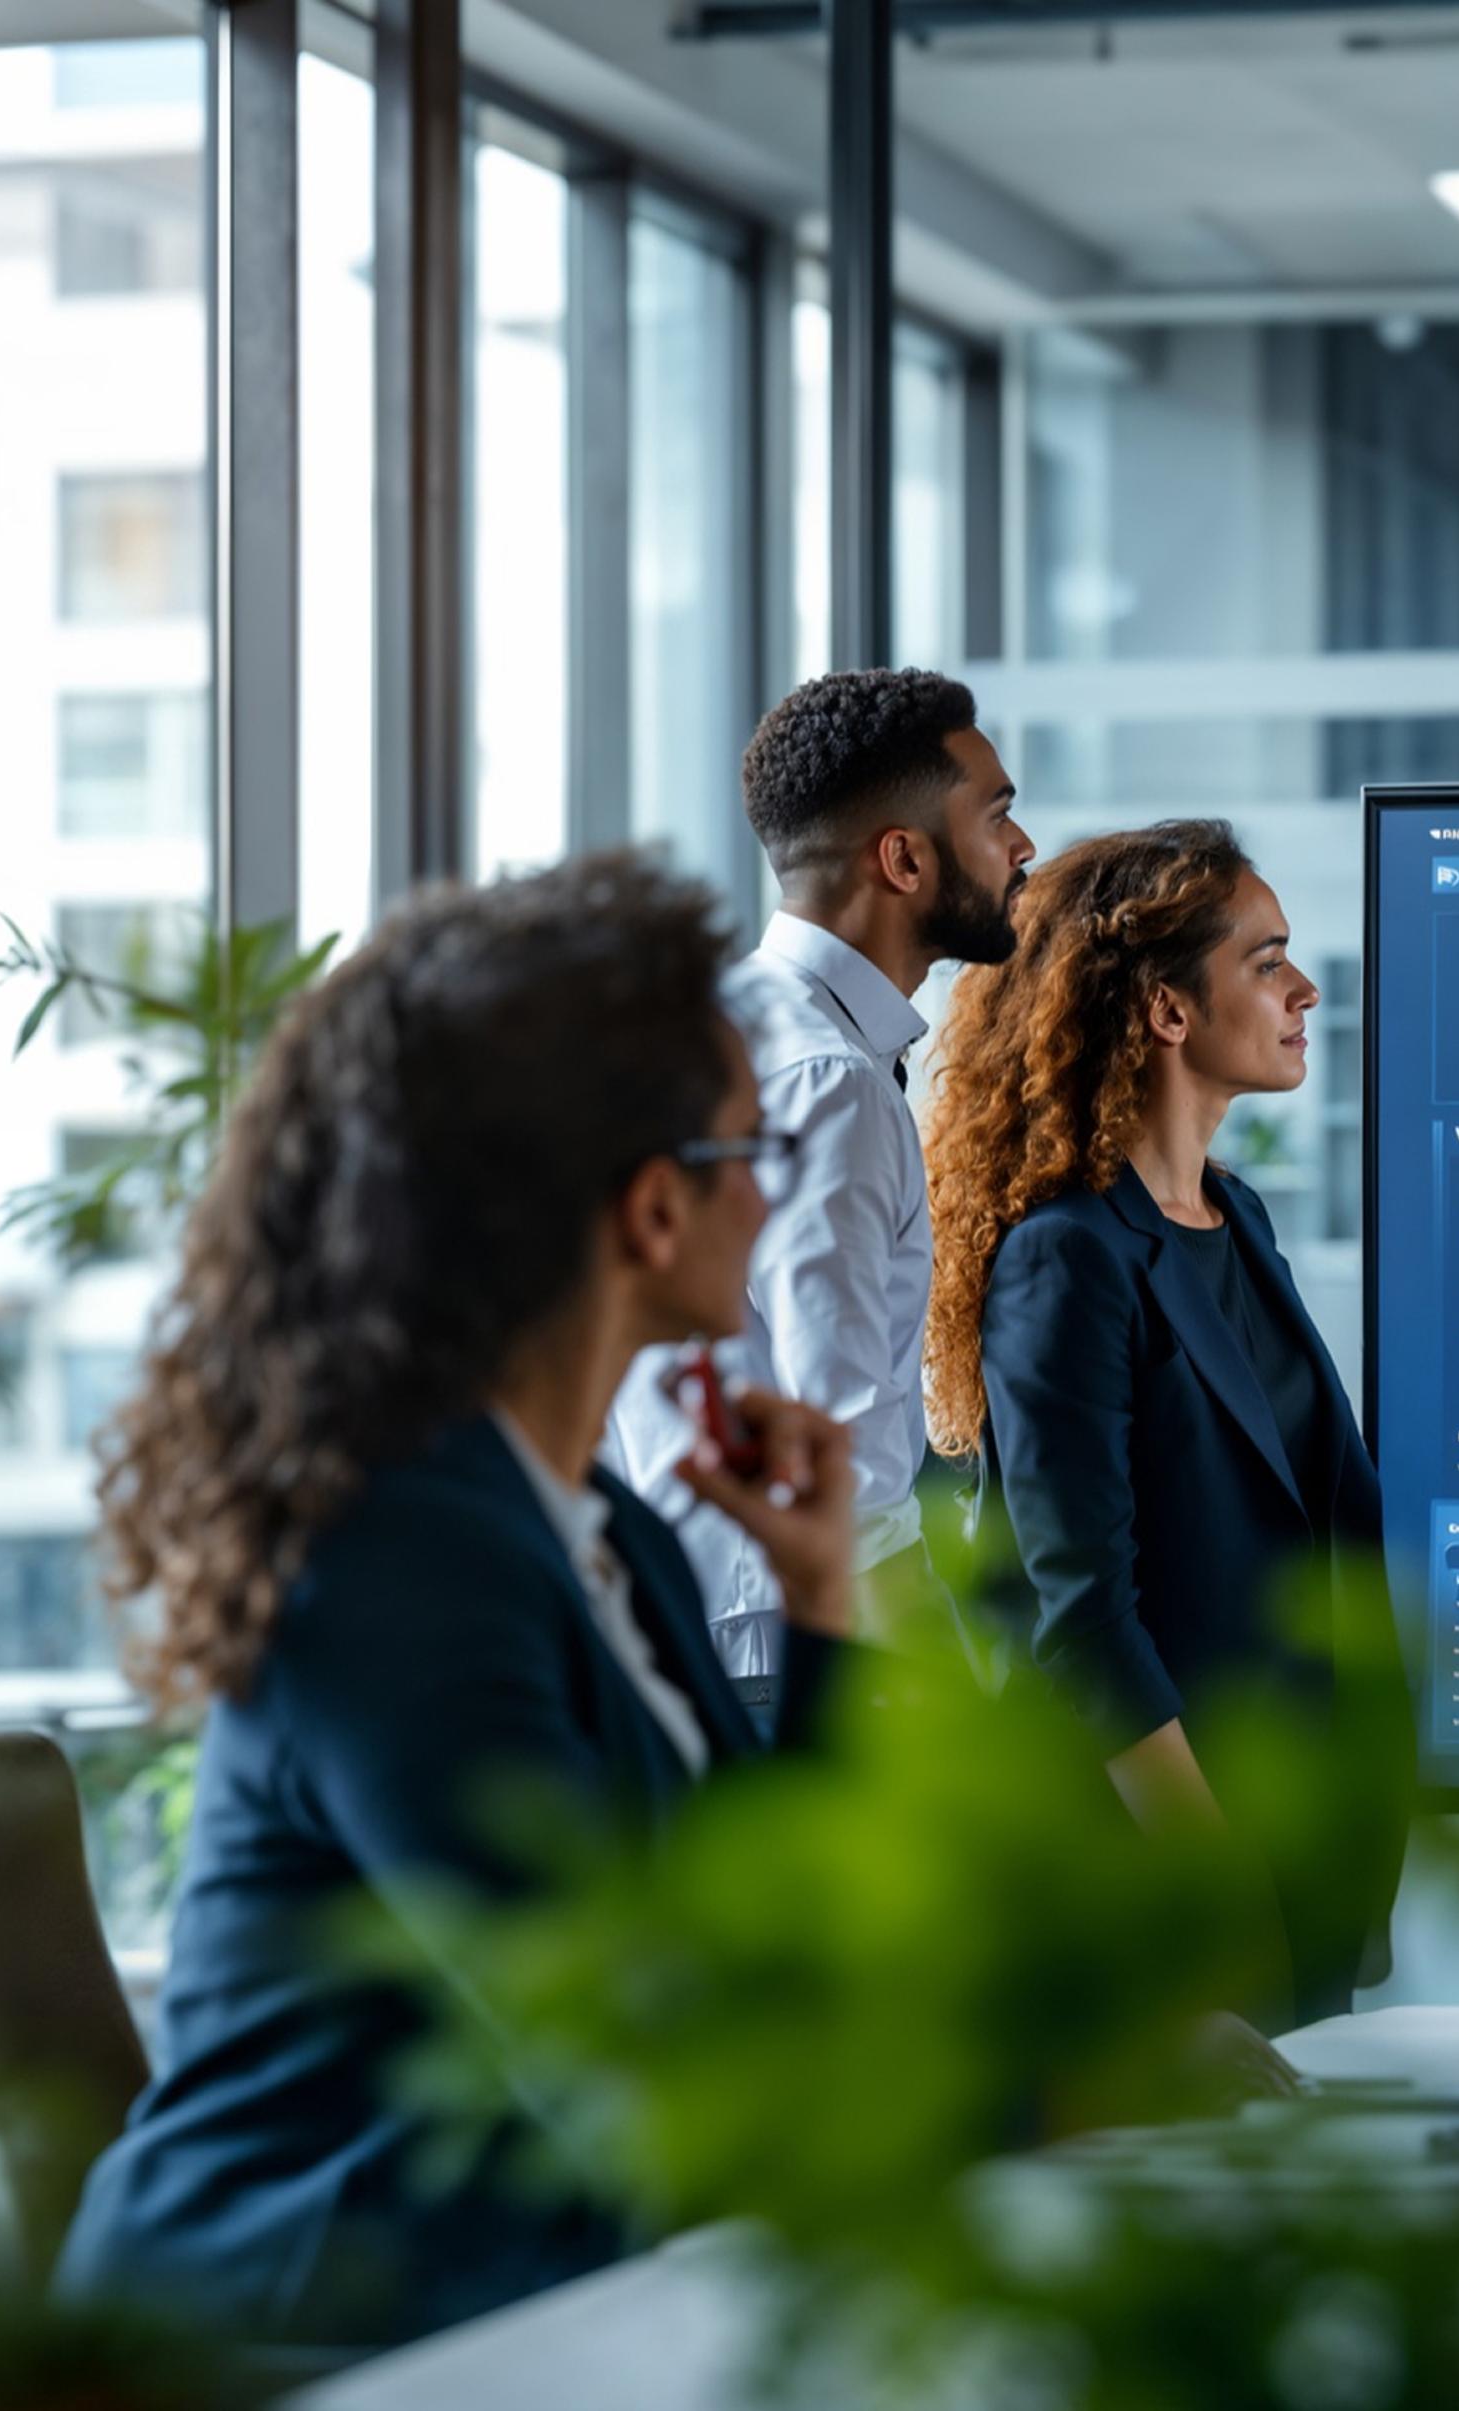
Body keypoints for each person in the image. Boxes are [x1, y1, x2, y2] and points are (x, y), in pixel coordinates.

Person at [55, 858, 863, 2348]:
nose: (770, 1192)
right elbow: (635, 2050)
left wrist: (818, 1607)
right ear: (648, 1208)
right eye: (754, 1148)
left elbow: (779, 1924)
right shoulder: (398, 1555)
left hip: (530, 2311)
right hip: (291, 2344)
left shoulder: (605, 1527)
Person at [922, 821, 1411, 2026]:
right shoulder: (1068, 1259)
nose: (1303, 990)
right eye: (1267, 960)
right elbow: (1081, 1615)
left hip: (1302, 1857)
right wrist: (1217, 1885)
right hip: (1183, 1884)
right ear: (1167, 1011)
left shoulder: (1236, 1219)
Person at [608, 669, 1035, 1710]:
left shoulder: (735, 1027)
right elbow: (842, 1449)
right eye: (998, 816)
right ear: (903, 858)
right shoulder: (827, 1082)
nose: (1024, 850)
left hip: (706, 1622)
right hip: (799, 1650)